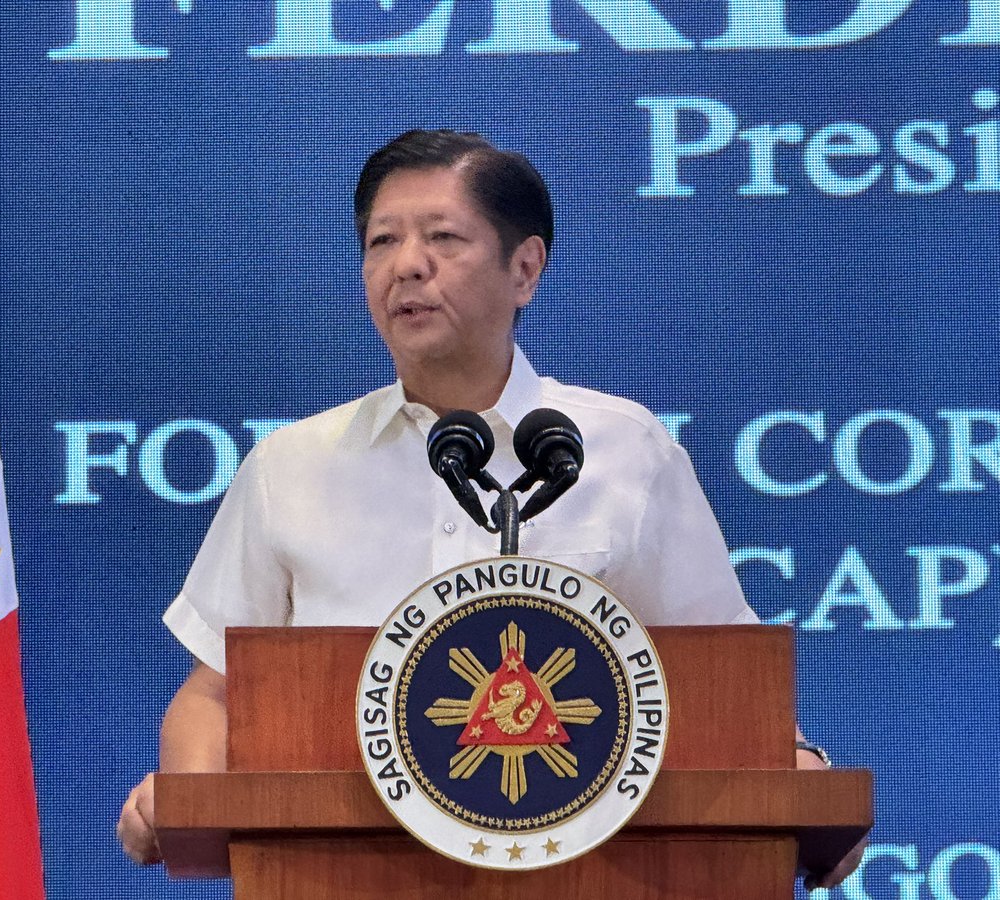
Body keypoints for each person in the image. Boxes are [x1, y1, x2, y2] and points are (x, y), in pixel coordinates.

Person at [116, 129, 864, 890]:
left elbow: (724, 676)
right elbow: (214, 692)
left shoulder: (622, 450)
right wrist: (191, 797)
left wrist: (801, 776)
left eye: (443, 237)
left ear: (525, 268)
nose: (406, 264)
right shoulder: (291, 467)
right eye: (382, 241)